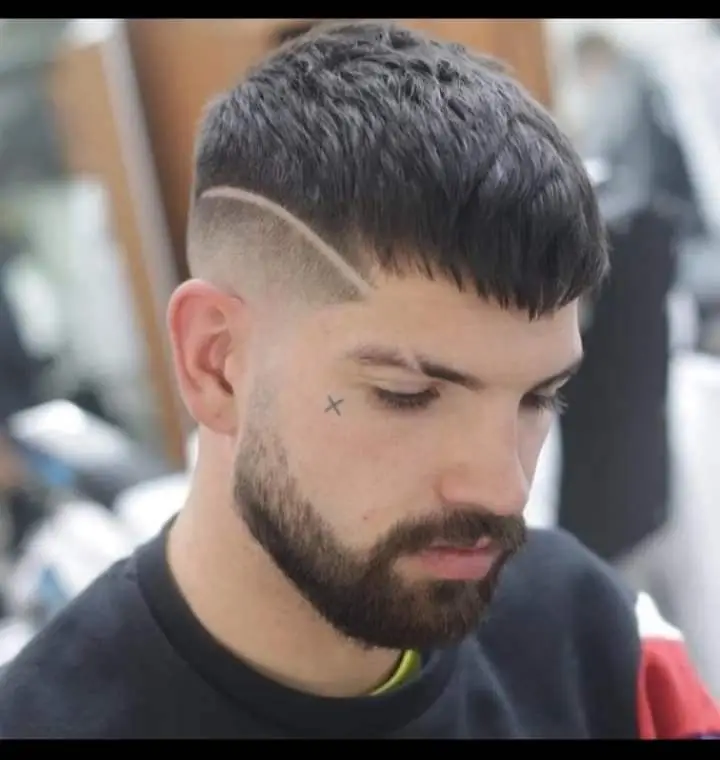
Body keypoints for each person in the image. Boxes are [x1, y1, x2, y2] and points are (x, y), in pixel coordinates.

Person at [0, 20, 717, 739]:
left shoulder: (597, 643)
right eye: (408, 395)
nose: (504, 490)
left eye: (538, 397)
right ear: (216, 363)